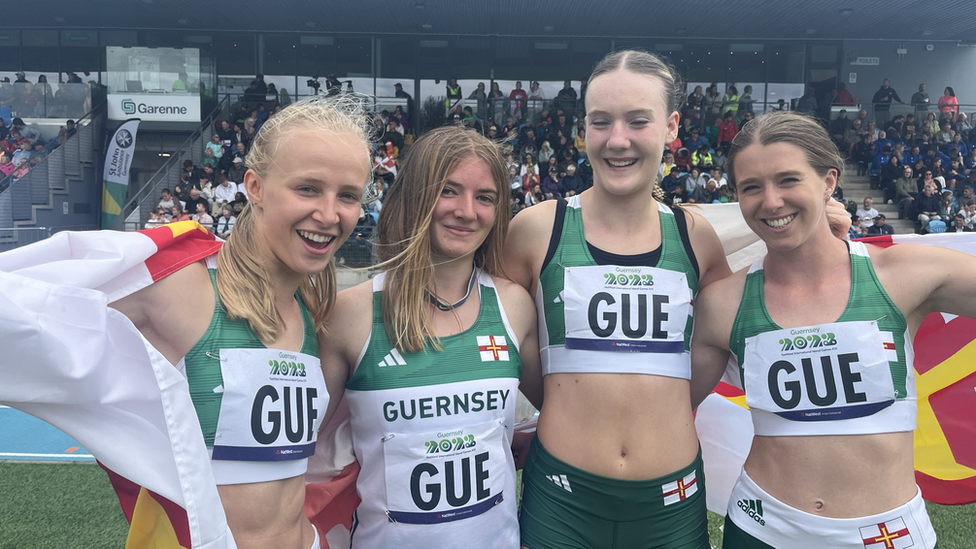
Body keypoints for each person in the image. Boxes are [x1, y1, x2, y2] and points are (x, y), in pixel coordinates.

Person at [690, 110, 976, 549]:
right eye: (751, 187)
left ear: (828, 181)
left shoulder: (907, 274)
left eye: (788, 180)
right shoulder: (722, 303)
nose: (770, 201)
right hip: (762, 529)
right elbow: (666, 404)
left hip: (889, 534)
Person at [105, 95, 374, 549]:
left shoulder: (313, 315)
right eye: (307, 188)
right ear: (256, 187)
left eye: (347, 195)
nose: (329, 215)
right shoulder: (183, 288)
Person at [505, 50, 732, 549]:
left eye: (638, 121)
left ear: (672, 127)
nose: (617, 140)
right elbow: (489, 329)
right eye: (600, 122)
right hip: (560, 498)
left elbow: (744, 322)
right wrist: (571, 404)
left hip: (670, 500)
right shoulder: (535, 230)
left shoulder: (697, 239)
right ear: (583, 128)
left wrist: (823, 239)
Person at [321, 125, 542, 547]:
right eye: (449, 190)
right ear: (414, 195)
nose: (467, 211)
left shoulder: (514, 306)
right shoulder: (350, 314)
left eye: (485, 197)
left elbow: (565, 409)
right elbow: (301, 455)